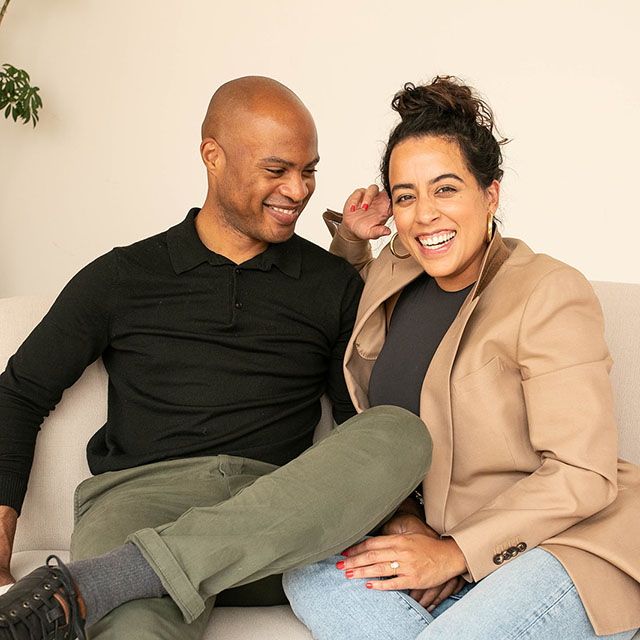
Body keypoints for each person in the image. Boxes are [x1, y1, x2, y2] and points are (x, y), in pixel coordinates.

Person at [0, 76, 435, 640]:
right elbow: (20, 392)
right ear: (212, 156)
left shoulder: (330, 283)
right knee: (134, 631)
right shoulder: (121, 276)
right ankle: (132, 574)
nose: (298, 190)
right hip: (141, 505)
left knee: (399, 431)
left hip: (279, 519)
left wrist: (404, 516)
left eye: (309, 171)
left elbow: (356, 417)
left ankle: (106, 580)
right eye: (277, 170)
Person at [282, 76, 640, 639]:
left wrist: (454, 553)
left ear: (490, 195)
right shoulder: (397, 274)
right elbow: (358, 317)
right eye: (406, 196)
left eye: (445, 189)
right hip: (439, 541)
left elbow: (582, 474)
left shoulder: (548, 291)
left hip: (563, 546)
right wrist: (352, 241)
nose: (424, 215)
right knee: (306, 565)